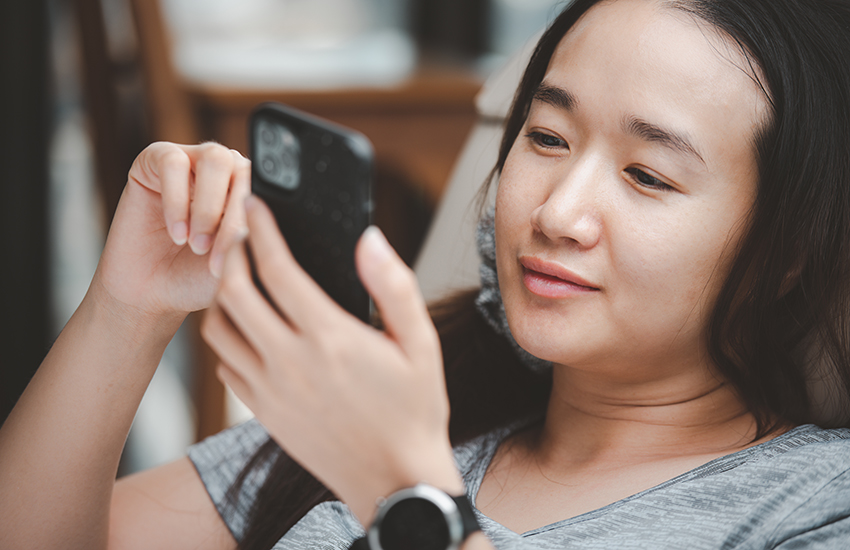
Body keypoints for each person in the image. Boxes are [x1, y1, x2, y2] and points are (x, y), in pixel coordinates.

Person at [2, 0, 850, 548]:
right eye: (547, 138)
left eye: (648, 176)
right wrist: (128, 306)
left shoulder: (812, 503)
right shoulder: (422, 410)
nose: (558, 212)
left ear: (785, 252)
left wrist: (407, 495)